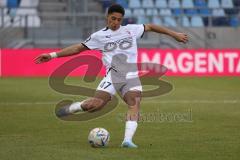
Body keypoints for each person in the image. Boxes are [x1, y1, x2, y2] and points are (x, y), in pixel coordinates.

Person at [35, 4, 188, 148]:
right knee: (94, 106)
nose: (116, 22)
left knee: (134, 103)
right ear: (107, 17)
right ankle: (75, 107)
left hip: (131, 76)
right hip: (112, 77)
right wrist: (52, 55)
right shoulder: (99, 36)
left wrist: (174, 34)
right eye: (113, 19)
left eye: (119, 19)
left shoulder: (131, 30)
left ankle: (127, 141)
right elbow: (77, 48)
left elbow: (151, 26)